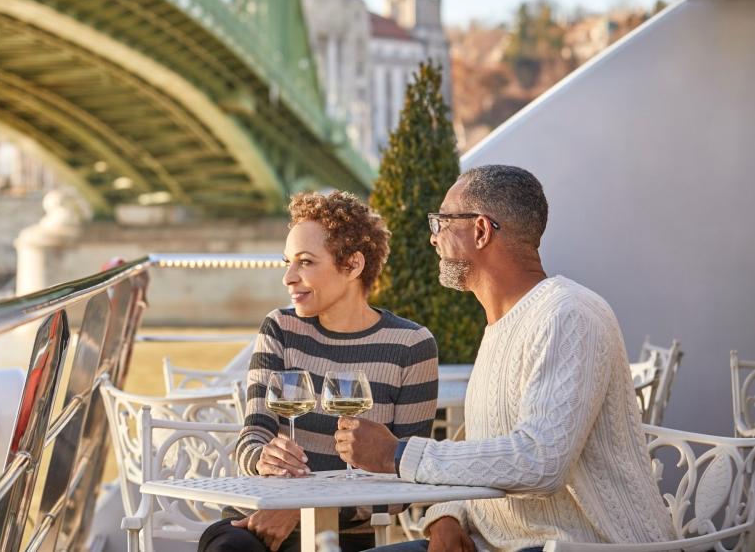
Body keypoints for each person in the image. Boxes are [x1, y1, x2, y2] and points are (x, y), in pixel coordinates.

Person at [335, 165, 674, 552]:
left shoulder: (568, 314)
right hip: (500, 543)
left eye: (441, 222)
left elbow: (541, 461)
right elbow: (485, 450)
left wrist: (397, 453)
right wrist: (447, 516)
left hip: (590, 546)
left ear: (480, 230)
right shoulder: (502, 325)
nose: (433, 239)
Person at [199, 191, 439, 552]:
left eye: (306, 262)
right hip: (257, 523)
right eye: (287, 262)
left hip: (344, 537)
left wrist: (303, 509)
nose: (288, 278)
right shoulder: (280, 328)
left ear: (353, 265)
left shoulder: (411, 345)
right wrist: (263, 458)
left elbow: (407, 480)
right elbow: (252, 437)